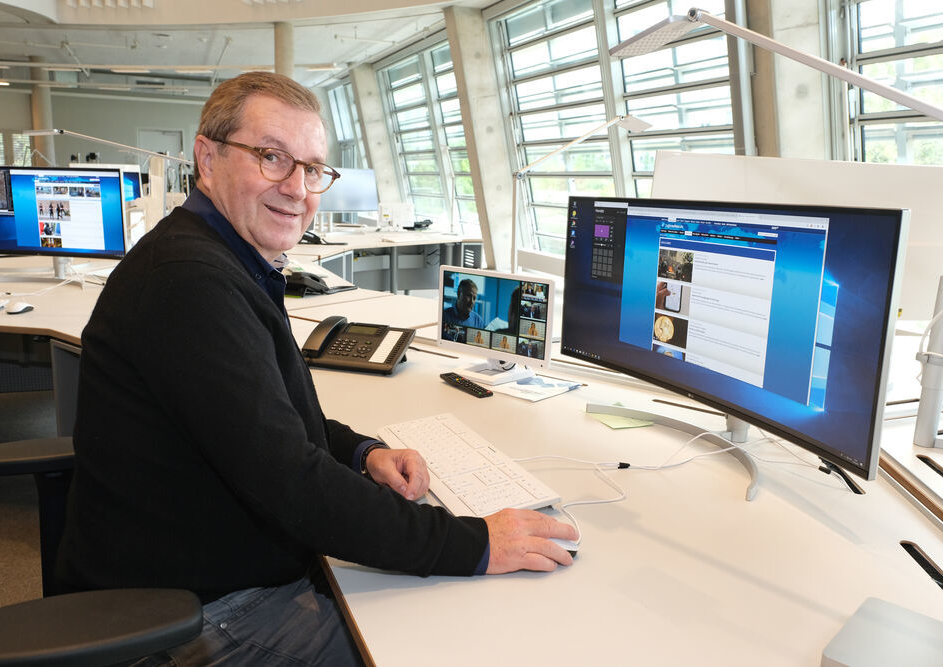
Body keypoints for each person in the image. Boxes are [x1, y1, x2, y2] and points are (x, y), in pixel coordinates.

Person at [55, 71, 577, 666]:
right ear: (207, 156)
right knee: (457, 644)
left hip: (199, 569)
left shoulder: (221, 256)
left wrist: (361, 453)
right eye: (271, 158)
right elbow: (290, 480)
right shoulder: (189, 281)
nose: (297, 188)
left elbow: (271, 414)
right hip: (200, 615)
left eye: (312, 169)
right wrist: (475, 543)